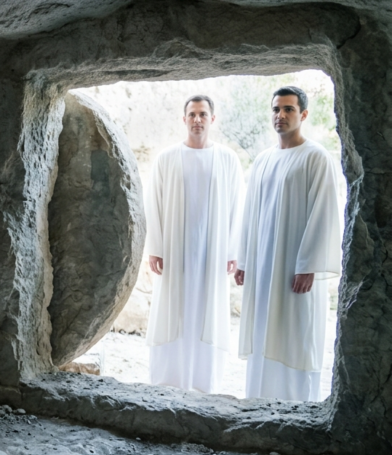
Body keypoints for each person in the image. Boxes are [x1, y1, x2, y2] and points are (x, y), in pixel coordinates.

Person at [235, 86, 342, 401]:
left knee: (296, 333)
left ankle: (296, 405)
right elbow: (250, 213)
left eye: (288, 109)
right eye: (276, 109)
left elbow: (323, 213)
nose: (280, 116)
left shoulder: (316, 157)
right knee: (263, 330)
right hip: (264, 267)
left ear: (303, 115)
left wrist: (308, 265)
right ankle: (258, 401)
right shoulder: (264, 160)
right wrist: (243, 260)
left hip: (296, 269)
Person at [146, 95, 243, 393]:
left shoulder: (227, 159)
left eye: (203, 114)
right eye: (192, 114)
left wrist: (231, 250)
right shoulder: (166, 158)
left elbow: (236, 207)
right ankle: (169, 380)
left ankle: (204, 383)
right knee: (173, 310)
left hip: (212, 254)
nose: (197, 120)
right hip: (175, 252)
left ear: (212, 119)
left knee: (206, 311)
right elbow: (155, 204)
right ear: (184, 119)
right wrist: (156, 247)